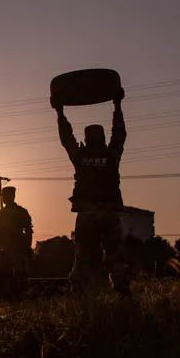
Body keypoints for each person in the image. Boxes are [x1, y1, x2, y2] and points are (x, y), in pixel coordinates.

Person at [56, 89, 131, 297]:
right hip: (108, 211)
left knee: (82, 255)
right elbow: (120, 133)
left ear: (87, 139)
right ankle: (122, 289)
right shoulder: (112, 154)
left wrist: (60, 113)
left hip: (87, 212)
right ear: (102, 137)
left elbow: (66, 138)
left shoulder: (80, 156)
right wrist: (117, 106)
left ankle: (78, 290)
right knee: (115, 254)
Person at [0, 186, 33, 300]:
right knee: (8, 273)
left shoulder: (5, 213)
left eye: (4, 196)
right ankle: (12, 296)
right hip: (8, 248)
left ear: (11, 196)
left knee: (14, 273)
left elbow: (28, 230)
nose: (3, 199)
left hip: (12, 248)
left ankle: (15, 296)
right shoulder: (19, 212)